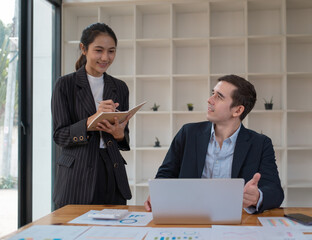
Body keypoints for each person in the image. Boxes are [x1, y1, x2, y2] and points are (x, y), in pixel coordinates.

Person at [144, 75, 284, 213]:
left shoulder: (260, 143)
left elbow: (275, 191)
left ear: (238, 110)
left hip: (237, 221)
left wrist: (257, 197)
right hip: (189, 216)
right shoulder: (188, 133)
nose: (209, 100)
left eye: (219, 97)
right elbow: (166, 175)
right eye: (213, 94)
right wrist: (158, 195)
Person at [51, 23, 132, 208]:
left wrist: (119, 134)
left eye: (111, 51)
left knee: (113, 235)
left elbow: (124, 137)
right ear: (83, 49)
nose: (105, 57)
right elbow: (60, 135)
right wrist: (91, 121)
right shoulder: (65, 85)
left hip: (112, 171)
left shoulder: (120, 87)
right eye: (99, 50)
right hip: (77, 175)